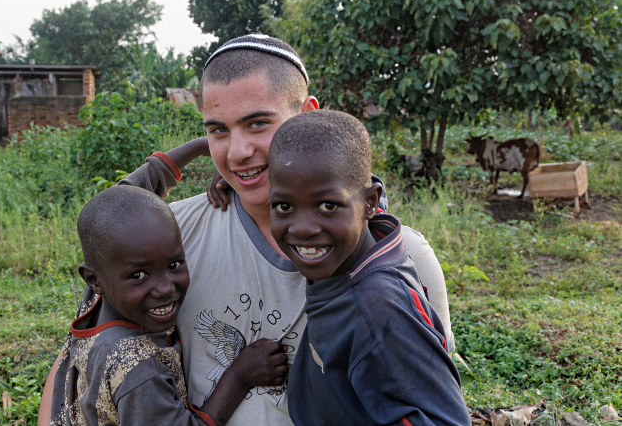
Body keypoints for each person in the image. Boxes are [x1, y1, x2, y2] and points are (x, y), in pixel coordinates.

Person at [39, 35, 454, 426]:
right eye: (218, 130)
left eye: (257, 124)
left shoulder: (400, 260)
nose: (237, 153)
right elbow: (77, 361)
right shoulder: (167, 237)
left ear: (309, 115)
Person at [267, 110, 470, 426]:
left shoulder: (380, 308)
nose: (303, 228)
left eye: (327, 206)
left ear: (371, 202)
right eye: (284, 206)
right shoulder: (348, 262)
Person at [52, 185, 288, 426]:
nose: (165, 288)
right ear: (94, 280)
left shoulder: (97, 307)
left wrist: (218, 161)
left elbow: (130, 189)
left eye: (174, 265)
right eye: (139, 275)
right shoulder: (140, 371)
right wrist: (239, 377)